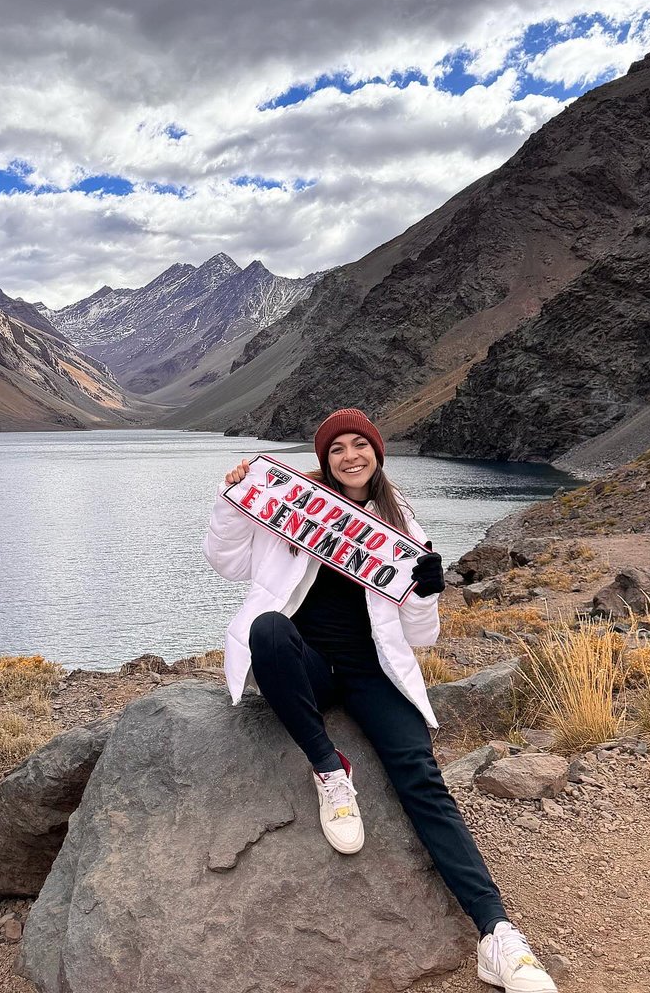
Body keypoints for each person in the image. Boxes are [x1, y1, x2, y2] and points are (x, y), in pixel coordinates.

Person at [203, 407, 557, 993]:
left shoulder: (403, 525)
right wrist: (231, 497)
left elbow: (422, 637)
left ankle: (497, 935)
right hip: (307, 665)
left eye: (358, 445)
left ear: (377, 453)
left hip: (374, 672)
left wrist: (424, 593)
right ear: (324, 459)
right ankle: (329, 769)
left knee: (421, 777)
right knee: (266, 628)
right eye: (336, 448)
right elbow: (224, 561)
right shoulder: (290, 510)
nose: (349, 456)